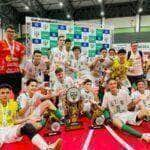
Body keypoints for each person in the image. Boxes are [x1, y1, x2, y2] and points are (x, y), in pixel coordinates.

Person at [0, 83, 62, 149]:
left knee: (27, 127)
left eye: (7, 93)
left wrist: (28, 118)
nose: (5, 95)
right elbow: (21, 114)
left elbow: (14, 121)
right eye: (2, 93)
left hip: (11, 130)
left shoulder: (13, 104)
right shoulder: (22, 97)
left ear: (10, 94)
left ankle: (46, 148)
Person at [0, 25, 26, 98]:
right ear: (5, 33)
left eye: (12, 32)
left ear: (15, 34)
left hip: (15, 73)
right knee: (3, 92)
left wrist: (19, 67)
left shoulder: (20, 45)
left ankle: (14, 108)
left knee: (16, 93)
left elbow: (21, 59)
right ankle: (3, 108)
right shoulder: (1, 43)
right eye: (9, 31)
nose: (10, 33)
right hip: (3, 73)